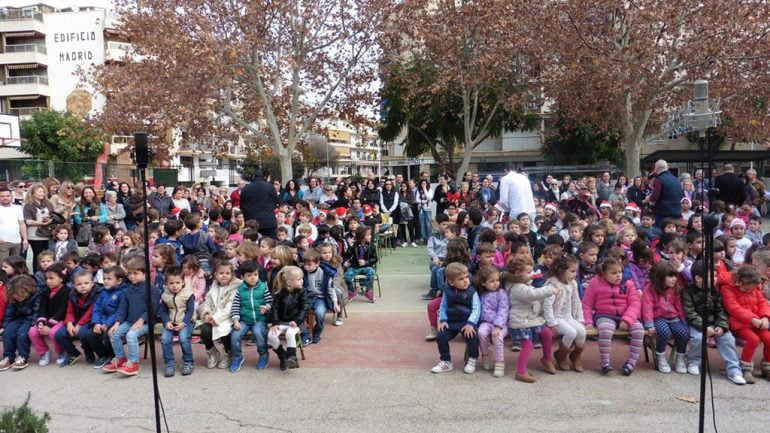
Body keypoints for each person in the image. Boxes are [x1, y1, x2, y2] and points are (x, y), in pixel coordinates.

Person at [683, 261, 746, 385]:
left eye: (716, 276)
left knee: (728, 339)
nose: (715, 279)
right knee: (698, 338)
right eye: (712, 276)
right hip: (698, 324)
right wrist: (704, 326)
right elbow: (690, 313)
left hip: (715, 324)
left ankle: (734, 370)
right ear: (698, 278)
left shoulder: (716, 291)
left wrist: (722, 326)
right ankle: (694, 361)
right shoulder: (688, 292)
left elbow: (721, 311)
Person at [582, 258, 644, 376]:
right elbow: (587, 304)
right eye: (614, 273)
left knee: (639, 331)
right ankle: (605, 363)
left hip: (625, 315)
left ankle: (630, 363)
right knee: (605, 330)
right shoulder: (595, 283)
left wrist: (627, 320)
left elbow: (635, 304)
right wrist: (588, 320)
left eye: (620, 272)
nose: (618, 276)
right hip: (604, 315)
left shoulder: (628, 284)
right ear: (604, 274)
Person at [505, 255, 559, 383]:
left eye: (532, 271)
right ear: (518, 273)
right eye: (529, 272)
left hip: (530, 319)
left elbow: (536, 296)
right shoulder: (517, 287)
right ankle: (521, 372)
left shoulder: (525, 283)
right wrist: (550, 290)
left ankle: (547, 358)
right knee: (527, 345)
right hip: (520, 321)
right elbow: (532, 295)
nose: (532, 274)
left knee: (546, 333)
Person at [718, 266, 770, 384]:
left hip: (757, 322)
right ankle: (746, 368)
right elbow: (733, 308)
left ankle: (767, 367)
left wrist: (765, 317)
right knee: (753, 340)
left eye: (751, 289)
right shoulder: (727, 289)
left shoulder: (754, 289)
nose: (749, 291)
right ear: (740, 282)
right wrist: (752, 319)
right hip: (740, 323)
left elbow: (762, 303)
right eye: (746, 289)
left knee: (768, 339)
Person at [104, 257, 152, 377]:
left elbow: (153, 308)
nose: (132, 276)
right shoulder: (128, 290)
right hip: (130, 321)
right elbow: (122, 308)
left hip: (146, 322)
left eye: (136, 273)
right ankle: (120, 358)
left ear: (145, 273)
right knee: (114, 335)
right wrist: (117, 323)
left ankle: (133, 363)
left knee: (131, 335)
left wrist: (142, 319)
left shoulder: (151, 289)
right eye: (130, 273)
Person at [431, 262, 480, 374]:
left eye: (467, 277)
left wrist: (470, 323)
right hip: (451, 321)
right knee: (441, 335)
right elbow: (443, 306)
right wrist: (443, 320)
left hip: (466, 321)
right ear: (451, 282)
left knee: (473, 336)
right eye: (461, 279)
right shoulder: (447, 290)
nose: (466, 280)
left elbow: (477, 308)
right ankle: (446, 361)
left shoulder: (472, 291)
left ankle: (473, 358)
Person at [642, 262, 689, 374]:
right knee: (664, 332)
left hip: (674, 317)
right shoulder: (650, 289)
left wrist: (683, 321)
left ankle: (680, 357)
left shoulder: (676, 289)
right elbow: (647, 307)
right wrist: (649, 325)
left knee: (684, 332)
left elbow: (679, 306)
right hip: (658, 318)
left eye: (675, 276)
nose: (674, 279)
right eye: (671, 276)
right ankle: (660, 356)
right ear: (660, 277)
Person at [543, 255, 587, 372]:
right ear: (561, 270)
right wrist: (551, 323)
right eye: (572, 271)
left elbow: (577, 302)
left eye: (575, 271)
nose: (575, 274)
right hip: (556, 318)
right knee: (571, 332)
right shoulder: (552, 285)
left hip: (568, 316)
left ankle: (575, 356)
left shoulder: (572, 283)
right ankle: (561, 356)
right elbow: (547, 306)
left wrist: (580, 318)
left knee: (582, 331)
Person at [229, 260, 273, 372]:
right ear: (243, 277)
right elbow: (235, 306)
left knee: (258, 333)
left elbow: (271, 302)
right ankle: (237, 356)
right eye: (249, 275)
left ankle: (263, 355)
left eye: (255, 275)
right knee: (235, 335)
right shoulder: (240, 290)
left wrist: (267, 307)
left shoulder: (264, 287)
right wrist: (235, 320)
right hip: (244, 320)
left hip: (259, 320)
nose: (253, 278)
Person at [199, 261, 241, 370]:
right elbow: (207, 302)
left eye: (227, 273)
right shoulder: (214, 286)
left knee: (225, 331)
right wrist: (207, 313)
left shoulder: (236, 287)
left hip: (228, 317)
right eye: (221, 273)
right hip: (212, 315)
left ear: (232, 274)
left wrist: (216, 318)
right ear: (216, 274)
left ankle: (228, 352)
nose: (224, 275)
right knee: (205, 330)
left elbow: (231, 306)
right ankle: (212, 352)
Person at [85, 266, 127, 369]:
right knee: (89, 335)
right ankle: (103, 356)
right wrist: (96, 322)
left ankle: (113, 355)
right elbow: (96, 309)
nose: (105, 281)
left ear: (119, 280)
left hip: (115, 322)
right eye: (104, 279)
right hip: (101, 322)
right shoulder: (102, 292)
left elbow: (119, 311)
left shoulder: (123, 293)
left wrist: (107, 324)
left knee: (107, 336)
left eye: (109, 279)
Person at [267, 265, 309, 370]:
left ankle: (292, 356)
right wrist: (275, 323)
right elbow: (274, 309)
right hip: (281, 322)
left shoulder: (302, 292)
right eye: (299, 279)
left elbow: (305, 308)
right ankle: (283, 356)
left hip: (296, 323)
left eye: (302, 278)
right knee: (271, 336)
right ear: (289, 282)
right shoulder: (279, 294)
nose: (302, 281)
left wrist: (297, 320)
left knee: (290, 333)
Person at [54, 271, 98, 367]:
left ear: (92, 283)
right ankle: (73, 353)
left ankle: (88, 351)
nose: (83, 286)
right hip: (76, 319)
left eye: (86, 283)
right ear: (74, 285)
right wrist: (69, 323)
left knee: (82, 333)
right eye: (79, 284)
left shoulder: (96, 293)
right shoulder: (72, 294)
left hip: (90, 319)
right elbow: (70, 311)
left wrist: (79, 325)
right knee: (59, 334)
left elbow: (91, 312)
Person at [159, 265, 195, 377]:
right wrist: (166, 322)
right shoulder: (165, 295)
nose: (174, 286)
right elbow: (163, 311)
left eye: (178, 283)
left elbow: (190, 311)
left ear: (183, 282)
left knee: (184, 338)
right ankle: (169, 364)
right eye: (171, 283)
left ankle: (188, 362)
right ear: (166, 283)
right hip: (170, 322)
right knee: (165, 339)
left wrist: (183, 323)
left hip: (186, 322)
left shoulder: (188, 294)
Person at [0, 275, 41, 370]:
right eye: (15, 296)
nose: (17, 298)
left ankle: (23, 356)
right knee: (8, 332)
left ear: (26, 290)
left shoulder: (37, 295)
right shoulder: (13, 297)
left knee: (22, 333)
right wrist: (5, 326)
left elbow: (36, 312)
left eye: (19, 295)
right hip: (19, 318)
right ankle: (8, 357)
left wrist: (33, 325)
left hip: (31, 319)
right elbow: (9, 313)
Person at [475, 266, 508, 378]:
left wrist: (498, 326)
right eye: (492, 281)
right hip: (486, 322)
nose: (495, 283)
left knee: (497, 337)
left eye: (497, 280)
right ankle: (486, 355)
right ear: (484, 283)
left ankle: (499, 362)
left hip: (501, 324)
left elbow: (503, 310)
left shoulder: (502, 293)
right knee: (481, 333)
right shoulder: (481, 293)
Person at [301, 249, 339, 344]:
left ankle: (317, 331)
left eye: (309, 265)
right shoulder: (302, 272)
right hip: (307, 297)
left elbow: (331, 289)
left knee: (320, 313)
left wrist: (335, 302)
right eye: (305, 264)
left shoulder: (325, 273)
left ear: (317, 263)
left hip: (320, 298)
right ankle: (305, 333)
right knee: (299, 313)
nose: (306, 267)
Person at [24, 183, 55, 272]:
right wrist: (42, 223)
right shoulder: (28, 205)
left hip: (48, 233)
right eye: (40, 192)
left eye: (43, 192)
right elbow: (28, 221)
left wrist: (49, 219)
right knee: (38, 255)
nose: (42, 194)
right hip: (35, 235)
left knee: (49, 255)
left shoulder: (48, 204)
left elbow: (53, 215)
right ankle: (37, 274)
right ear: (33, 193)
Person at [240, 168, 279, 239]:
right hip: (268, 221)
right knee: (270, 244)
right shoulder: (269, 187)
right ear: (264, 176)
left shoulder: (246, 188)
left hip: (252, 222)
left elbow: (242, 205)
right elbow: (276, 202)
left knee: (252, 245)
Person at [647, 160, 683, 229]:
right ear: (667, 167)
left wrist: (647, 199)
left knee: (661, 232)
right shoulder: (676, 179)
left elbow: (654, 197)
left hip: (663, 213)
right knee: (674, 232)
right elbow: (680, 194)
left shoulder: (659, 180)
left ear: (656, 169)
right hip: (677, 211)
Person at [0, 186, 28, 262]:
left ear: (12, 197)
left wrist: (25, 239)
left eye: (7, 196)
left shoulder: (17, 208)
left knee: (15, 265)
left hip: (17, 241)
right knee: (3, 266)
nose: (5, 198)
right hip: (2, 243)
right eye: (2, 196)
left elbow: (22, 224)